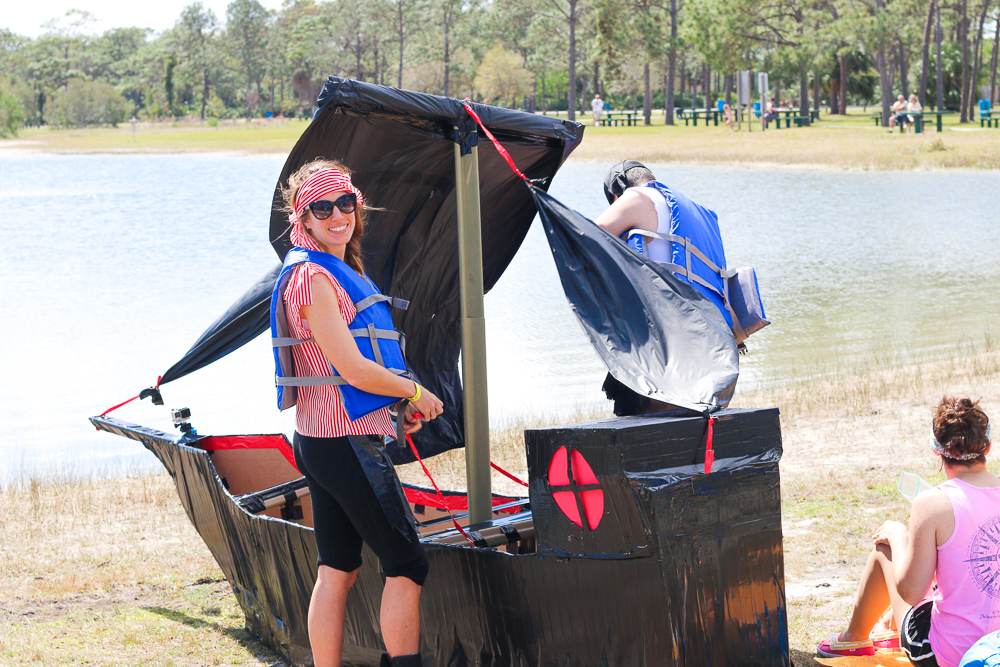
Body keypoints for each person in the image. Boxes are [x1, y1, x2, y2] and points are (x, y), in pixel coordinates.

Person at [270, 158, 444, 667]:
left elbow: (357, 369)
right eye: (321, 208)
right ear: (303, 219)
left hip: (323, 441)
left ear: (357, 204)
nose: (337, 215)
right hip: (344, 444)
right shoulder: (314, 279)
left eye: (344, 202)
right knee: (407, 563)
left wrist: (396, 403)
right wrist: (412, 391)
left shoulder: (333, 270)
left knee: (339, 568)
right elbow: (351, 370)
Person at [816, 396, 1000, 667]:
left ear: (937, 450)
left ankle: (853, 637)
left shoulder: (932, 503)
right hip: (994, 648)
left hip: (945, 655)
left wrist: (897, 535)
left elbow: (911, 593)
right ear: (988, 446)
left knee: (887, 548)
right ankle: (886, 628)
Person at [593, 160, 731, 416]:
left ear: (617, 195)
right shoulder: (699, 212)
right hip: (715, 349)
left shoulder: (638, 196)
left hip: (666, 352)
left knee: (645, 441)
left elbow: (589, 235)